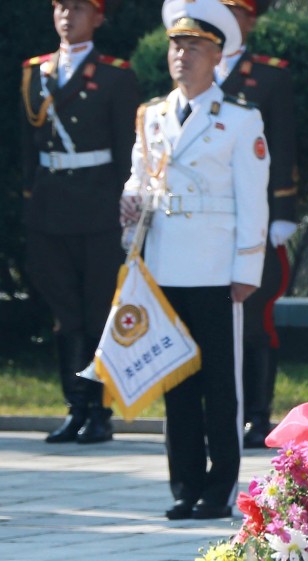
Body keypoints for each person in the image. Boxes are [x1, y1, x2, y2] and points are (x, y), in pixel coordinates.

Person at [120, 0, 269, 520]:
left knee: (219, 384)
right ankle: (184, 485)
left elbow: (254, 200)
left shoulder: (240, 119)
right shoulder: (152, 116)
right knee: (175, 380)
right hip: (163, 263)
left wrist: (246, 270)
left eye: (194, 47)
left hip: (214, 268)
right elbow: (140, 178)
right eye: (176, 46)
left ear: (217, 56)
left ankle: (220, 487)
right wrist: (130, 200)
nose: (182, 55)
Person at [20, 0, 140, 444]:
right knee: (64, 312)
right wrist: (30, 199)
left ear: (98, 17)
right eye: (61, 7)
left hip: (97, 207)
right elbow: (28, 146)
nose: (68, 15)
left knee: (98, 312)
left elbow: (127, 148)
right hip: (50, 207)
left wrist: (125, 206)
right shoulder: (34, 72)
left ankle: (99, 411)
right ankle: (74, 407)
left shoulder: (115, 75)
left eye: (79, 8)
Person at [216, 0, 298, 448]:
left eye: (236, 12)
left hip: (256, 214)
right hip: (207, 217)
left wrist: (284, 210)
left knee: (254, 315)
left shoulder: (270, 75)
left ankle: (256, 414)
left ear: (250, 20)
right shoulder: (195, 68)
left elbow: (283, 144)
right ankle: (220, 410)